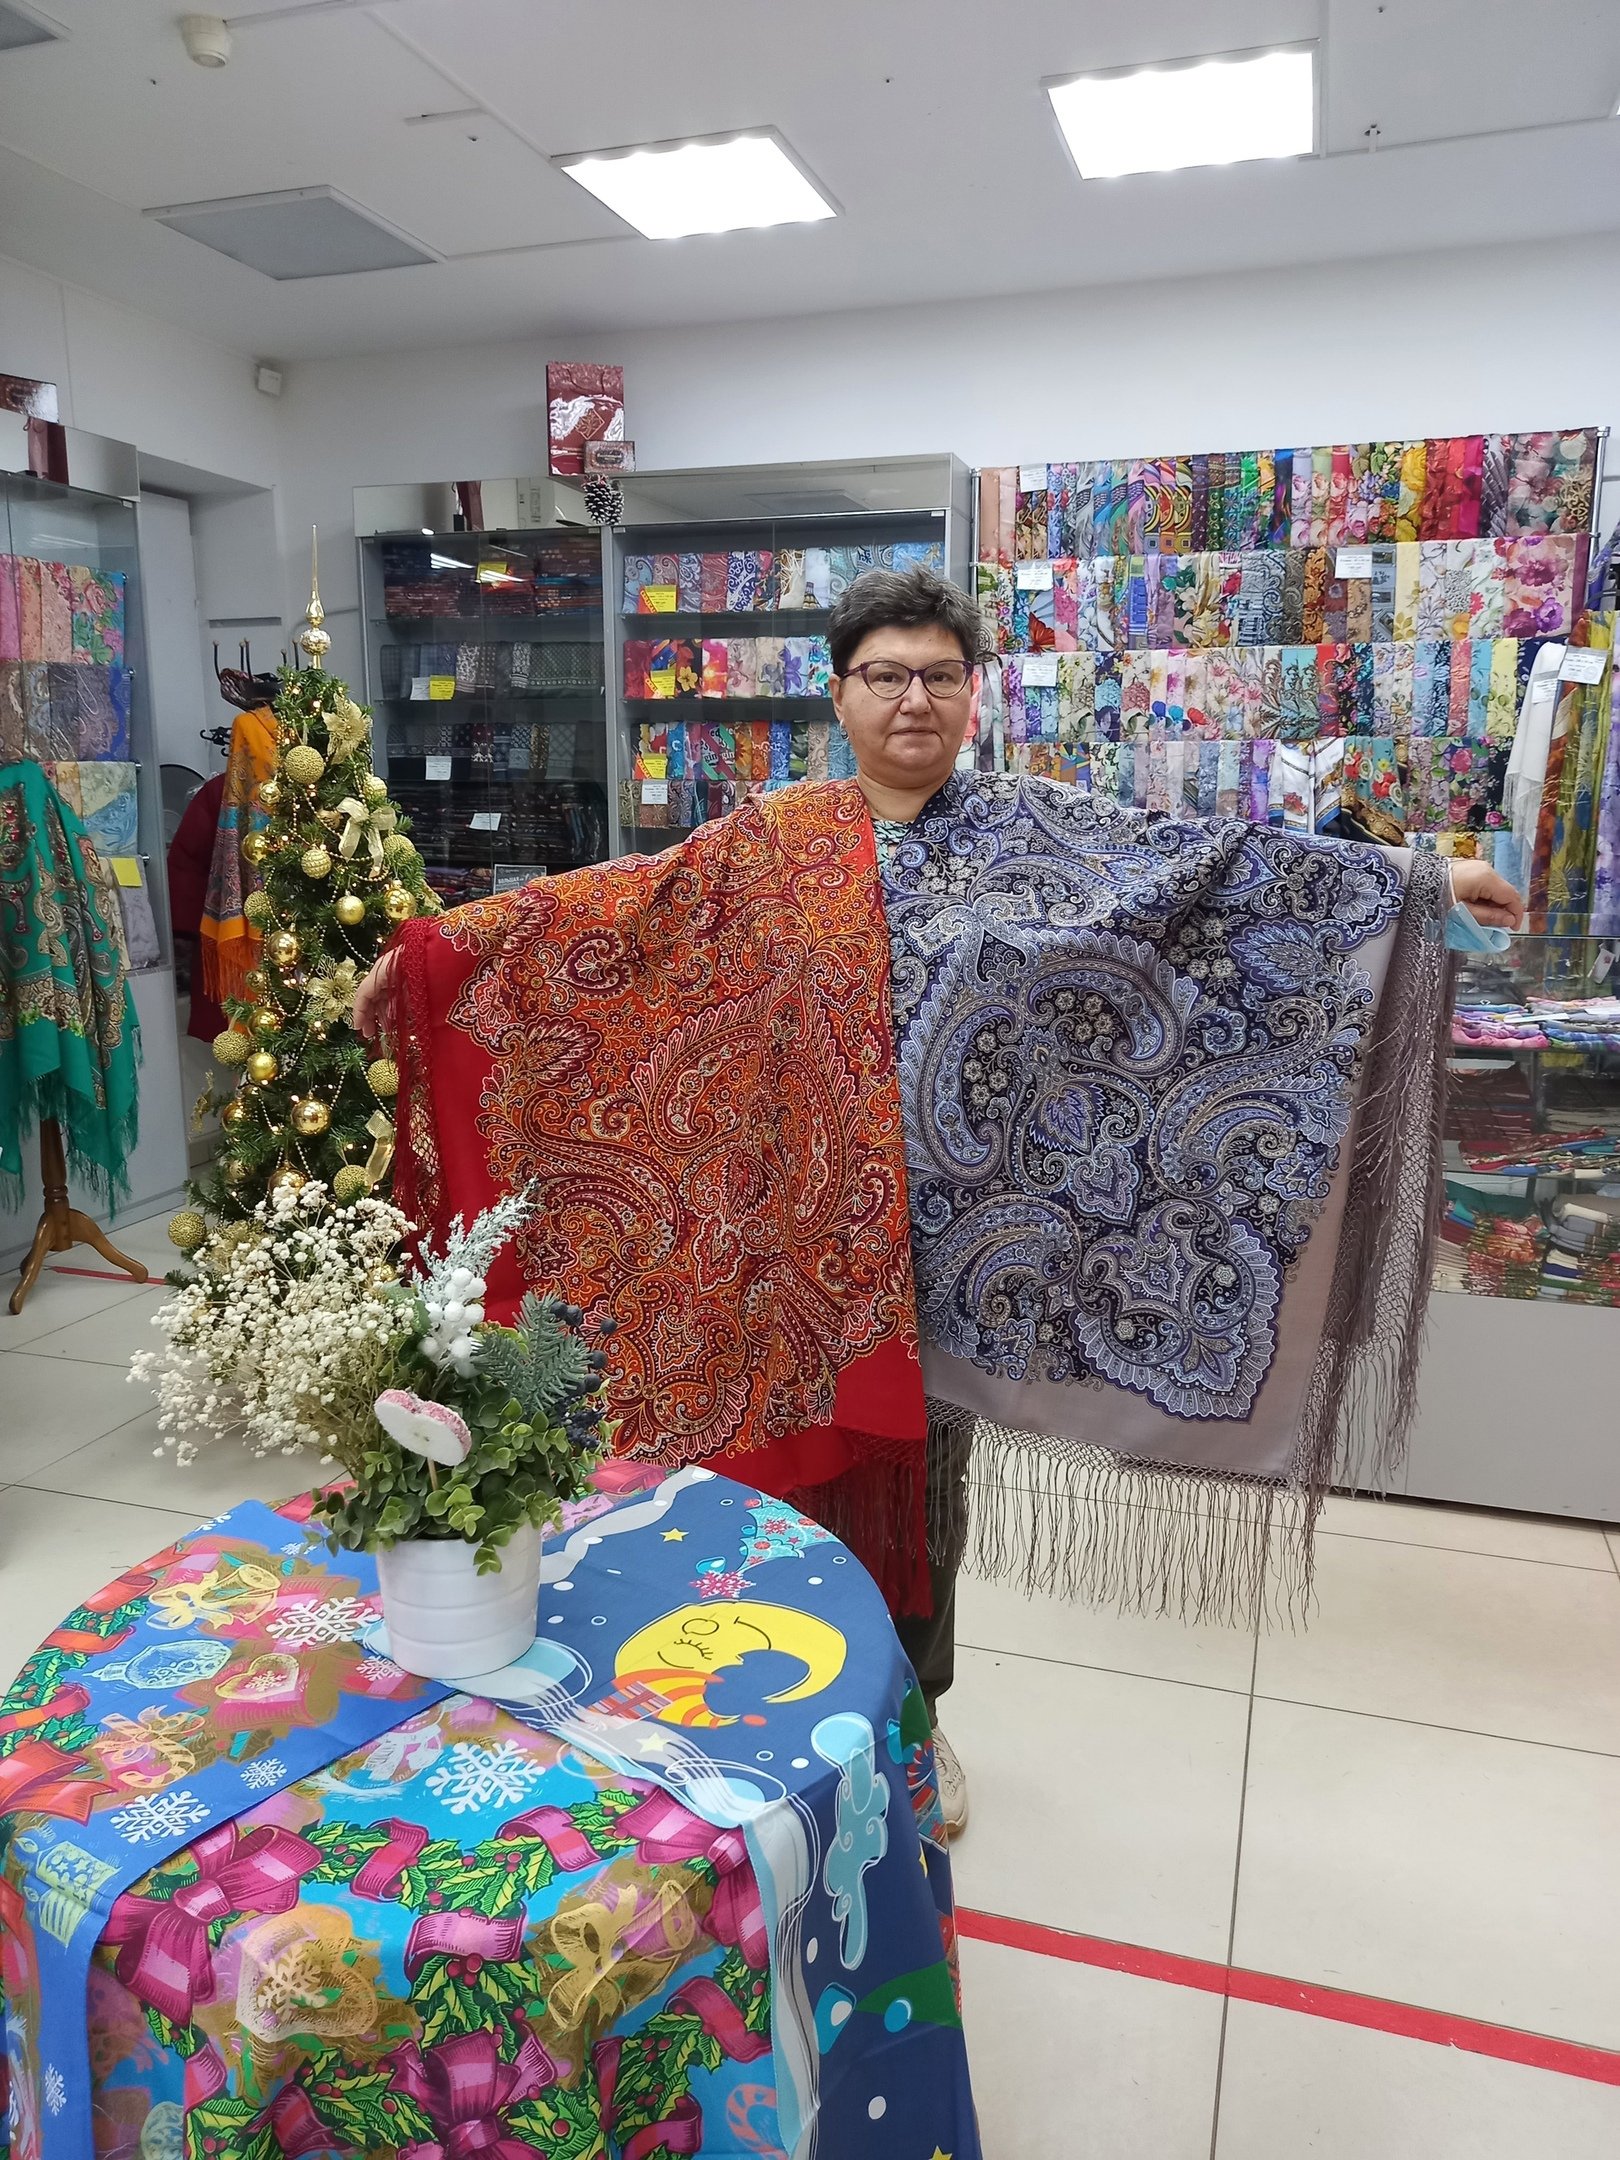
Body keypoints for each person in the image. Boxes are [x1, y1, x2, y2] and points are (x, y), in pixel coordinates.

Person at [357, 568, 1523, 1840]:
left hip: (954, 1263)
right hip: (794, 1242)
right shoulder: (765, 843)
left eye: (940, 676)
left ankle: (913, 1723)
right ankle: (769, 1715)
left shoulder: (1040, 828)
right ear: (839, 694)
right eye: (886, 676)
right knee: (773, 1502)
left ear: (972, 694)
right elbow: (616, 911)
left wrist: (1421, 879)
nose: (914, 700)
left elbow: (1220, 866)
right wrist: (435, 958)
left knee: (919, 1506)